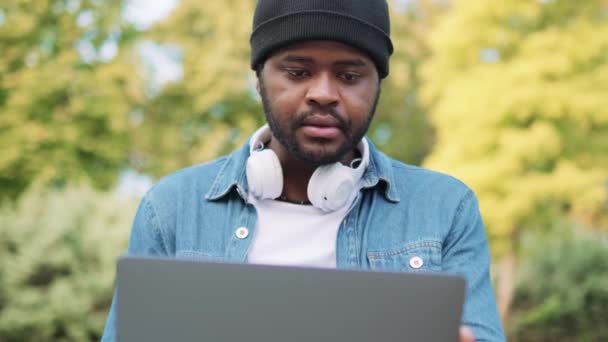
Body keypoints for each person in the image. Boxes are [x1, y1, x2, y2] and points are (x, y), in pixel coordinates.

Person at [102, 0, 505, 341]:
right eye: (298, 72)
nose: (324, 94)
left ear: (377, 85)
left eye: (349, 76)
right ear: (259, 78)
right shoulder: (171, 208)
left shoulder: (445, 208)